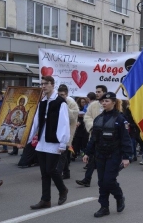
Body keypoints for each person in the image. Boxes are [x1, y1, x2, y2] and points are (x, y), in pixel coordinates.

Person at [82, 92, 132, 218]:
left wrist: (126, 157)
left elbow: (126, 139)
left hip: (114, 155)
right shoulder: (98, 118)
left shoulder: (120, 119)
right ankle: (104, 207)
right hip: (100, 154)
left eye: (107, 101)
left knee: (108, 181)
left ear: (114, 103)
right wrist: (87, 153)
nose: (104, 103)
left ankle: (119, 197)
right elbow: (93, 138)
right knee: (101, 182)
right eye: (102, 101)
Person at [25, 76, 70, 209]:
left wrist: (63, 142)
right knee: (44, 172)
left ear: (52, 85)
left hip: (54, 141)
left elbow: (64, 123)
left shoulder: (60, 102)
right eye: (42, 84)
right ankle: (45, 200)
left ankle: (62, 189)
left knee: (51, 169)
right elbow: (36, 122)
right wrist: (27, 139)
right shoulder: (42, 102)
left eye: (46, 84)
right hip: (42, 141)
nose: (43, 86)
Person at [76, 85, 107, 187]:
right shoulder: (93, 105)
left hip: (107, 138)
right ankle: (87, 179)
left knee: (105, 160)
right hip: (95, 136)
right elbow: (87, 117)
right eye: (96, 92)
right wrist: (93, 126)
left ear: (104, 93)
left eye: (99, 92)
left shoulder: (109, 104)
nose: (97, 93)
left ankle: (107, 180)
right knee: (91, 158)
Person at [56, 85, 79, 179]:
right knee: (62, 153)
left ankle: (57, 174)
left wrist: (64, 106)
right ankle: (66, 172)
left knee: (62, 153)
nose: (61, 97)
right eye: (59, 95)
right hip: (58, 130)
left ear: (67, 94)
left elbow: (72, 118)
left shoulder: (71, 103)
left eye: (62, 95)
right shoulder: (56, 101)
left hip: (68, 130)